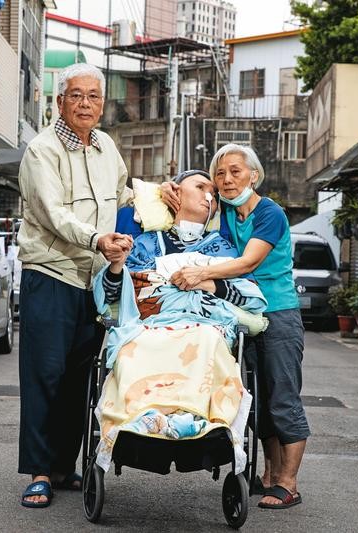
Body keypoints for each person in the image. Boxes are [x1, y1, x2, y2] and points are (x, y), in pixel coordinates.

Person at [163, 144, 309, 510]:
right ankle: (270, 476)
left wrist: (203, 272)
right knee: (256, 400)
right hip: (240, 314)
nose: (226, 180)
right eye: (220, 174)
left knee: (283, 397)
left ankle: (289, 483)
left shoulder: (270, 214)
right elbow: (191, 199)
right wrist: (168, 188)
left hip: (278, 313)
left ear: (254, 176)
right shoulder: (225, 211)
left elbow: (247, 262)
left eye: (236, 172)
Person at [91, 170, 267, 472]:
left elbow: (249, 297)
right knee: (135, 345)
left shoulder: (223, 248)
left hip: (205, 326)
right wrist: (118, 266)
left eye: (212, 191)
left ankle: (195, 418)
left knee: (207, 342)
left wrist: (210, 284)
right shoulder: (143, 243)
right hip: (149, 325)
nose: (208, 195)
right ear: (175, 195)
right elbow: (111, 297)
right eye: (199, 187)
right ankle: (141, 416)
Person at [16, 63, 133, 509]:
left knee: (81, 380)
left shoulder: (106, 147)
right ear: (59, 101)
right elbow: (50, 212)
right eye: (76, 95)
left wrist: (157, 196)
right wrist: (96, 238)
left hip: (96, 280)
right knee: (44, 376)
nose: (86, 104)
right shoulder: (41, 150)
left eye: (94, 96)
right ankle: (40, 472)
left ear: (102, 105)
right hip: (51, 274)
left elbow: (122, 195)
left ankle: (65, 466)